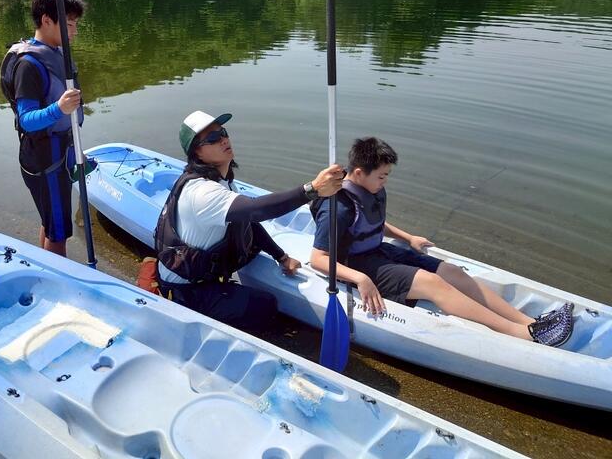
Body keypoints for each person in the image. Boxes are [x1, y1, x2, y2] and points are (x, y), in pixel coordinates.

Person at [310, 136, 574, 347]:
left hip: (378, 251)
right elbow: (318, 259)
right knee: (433, 283)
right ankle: (520, 333)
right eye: (382, 176)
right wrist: (360, 279)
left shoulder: (369, 189)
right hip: (355, 264)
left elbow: (370, 223)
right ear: (359, 173)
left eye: (387, 175)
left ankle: (529, 321)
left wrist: (408, 237)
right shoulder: (338, 207)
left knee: (451, 271)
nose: (385, 181)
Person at [155, 110, 344, 332]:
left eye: (223, 133)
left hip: (198, 273)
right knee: (264, 306)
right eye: (213, 138)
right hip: (184, 291)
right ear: (197, 152)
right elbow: (256, 211)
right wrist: (312, 190)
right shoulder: (202, 192)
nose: (223, 140)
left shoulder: (222, 182)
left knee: (245, 245)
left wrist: (281, 257)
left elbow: (248, 222)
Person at [1, 0, 85, 257]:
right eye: (69, 24)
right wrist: (59, 108)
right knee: (58, 233)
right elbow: (26, 120)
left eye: (75, 24)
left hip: (58, 151)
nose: (74, 31)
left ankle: (45, 265)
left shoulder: (55, 52)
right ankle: (57, 279)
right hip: (45, 158)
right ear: (47, 20)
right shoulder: (29, 65)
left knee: (51, 222)